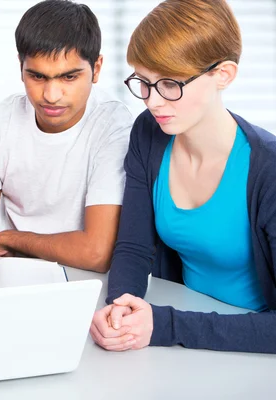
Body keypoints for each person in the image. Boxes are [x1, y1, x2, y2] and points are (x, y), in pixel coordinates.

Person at [90, 0, 276, 354]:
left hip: (251, 347)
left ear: (223, 74)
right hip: (185, 335)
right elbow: (133, 247)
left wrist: (163, 324)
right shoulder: (149, 132)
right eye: (143, 82)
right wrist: (120, 309)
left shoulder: (268, 170)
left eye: (170, 84)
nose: (153, 102)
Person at [0, 0, 132, 278]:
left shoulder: (114, 125)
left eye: (69, 77)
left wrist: (11, 239)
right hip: (10, 273)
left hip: (86, 280)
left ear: (97, 68)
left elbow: (97, 252)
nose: (51, 95)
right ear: (20, 67)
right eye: (37, 76)